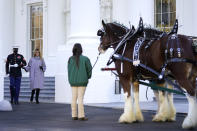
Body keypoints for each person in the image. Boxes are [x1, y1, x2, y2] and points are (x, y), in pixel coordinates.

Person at [68, 43, 92, 121]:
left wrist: (70, 80)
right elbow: (89, 70)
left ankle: (74, 115)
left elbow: (69, 71)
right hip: (82, 82)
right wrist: (87, 77)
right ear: (81, 49)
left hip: (73, 82)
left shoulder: (70, 59)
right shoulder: (85, 59)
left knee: (73, 98)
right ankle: (81, 116)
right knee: (80, 98)